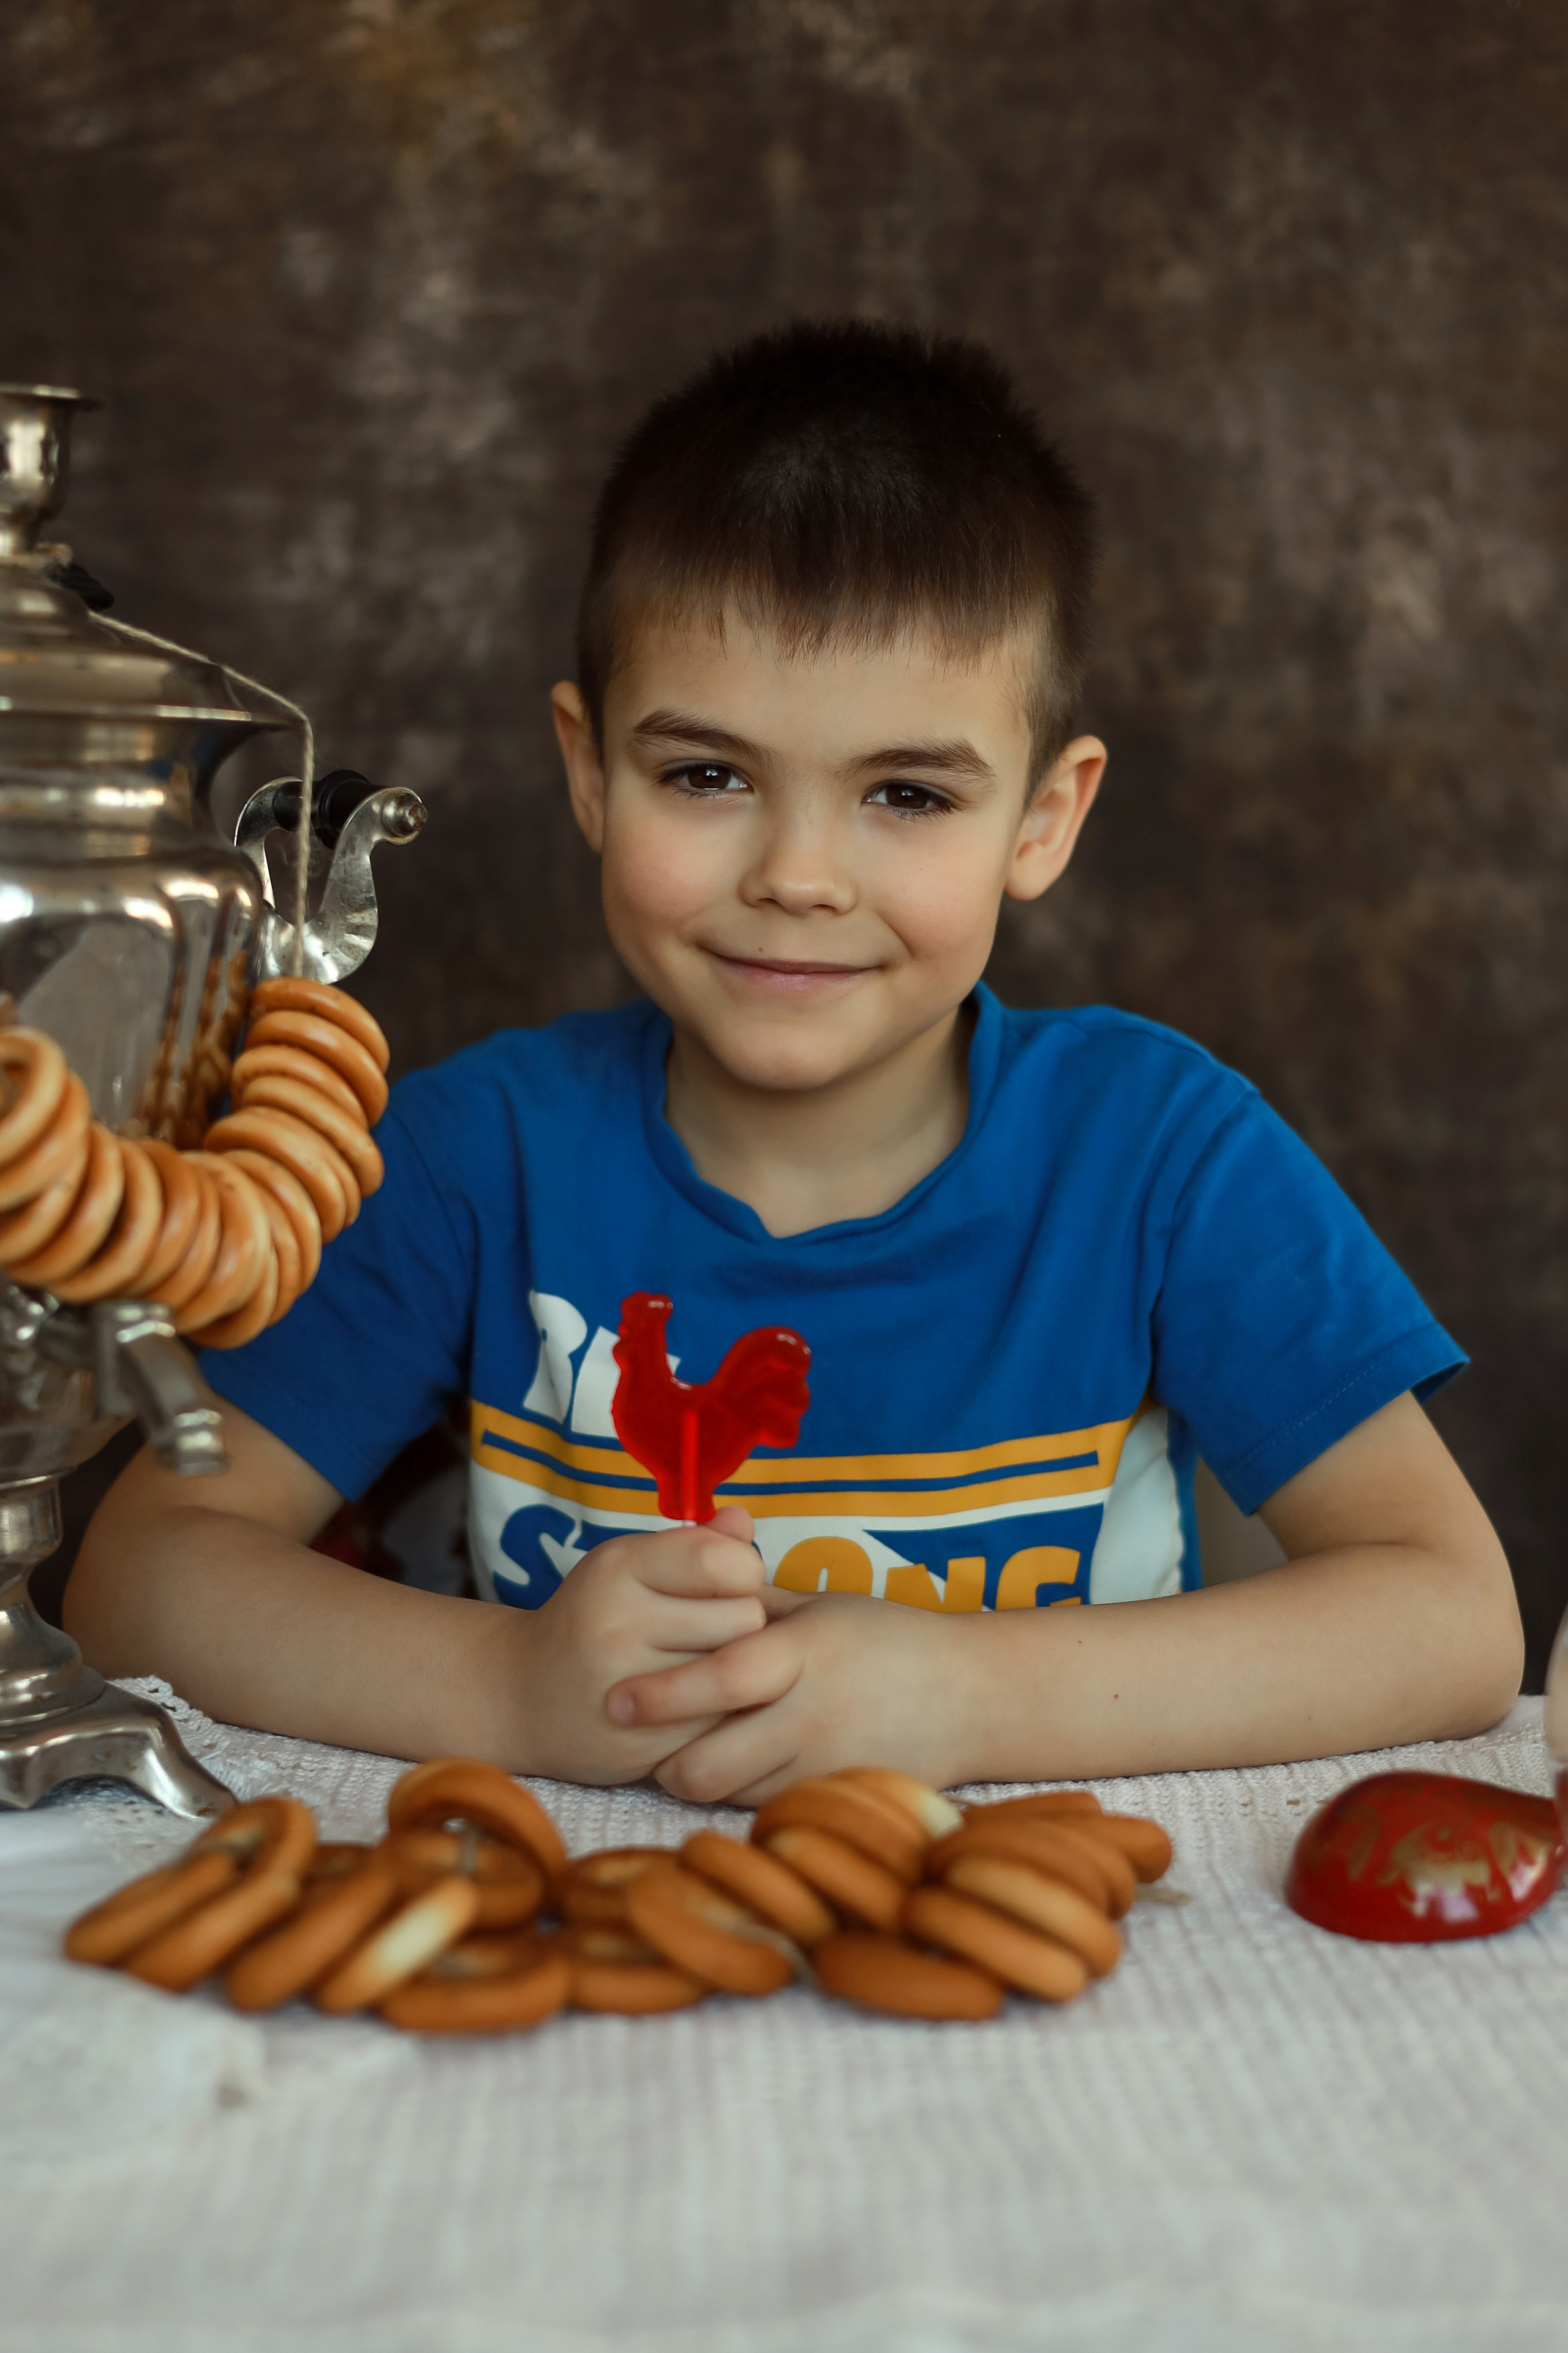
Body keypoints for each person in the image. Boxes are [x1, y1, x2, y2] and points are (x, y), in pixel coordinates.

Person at [66, 323, 1523, 1800]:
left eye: (905, 792)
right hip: (592, 1956)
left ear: (1041, 818)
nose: (800, 876)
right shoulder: (466, 1158)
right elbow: (137, 1576)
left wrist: (971, 1698)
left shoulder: (1160, 1154)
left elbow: (1454, 1617)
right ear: (588, 769)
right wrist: (511, 1689)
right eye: (706, 775)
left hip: (1079, 1945)